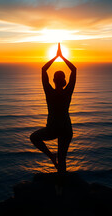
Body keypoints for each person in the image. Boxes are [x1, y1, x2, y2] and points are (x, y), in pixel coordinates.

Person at [30, 43, 77, 174]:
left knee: (34, 137)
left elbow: (43, 70)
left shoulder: (49, 92)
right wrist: (62, 57)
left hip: (53, 128)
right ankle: (61, 186)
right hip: (66, 128)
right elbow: (74, 70)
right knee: (62, 160)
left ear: (53, 80)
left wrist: (56, 57)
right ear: (64, 81)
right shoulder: (68, 92)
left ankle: (51, 156)